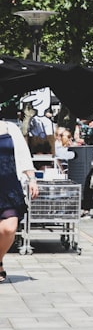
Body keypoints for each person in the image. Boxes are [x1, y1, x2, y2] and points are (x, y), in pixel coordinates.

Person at [0, 106, 39, 283]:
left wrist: (32, 179)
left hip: (8, 186)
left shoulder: (10, 128)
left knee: (9, 228)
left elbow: (23, 154)